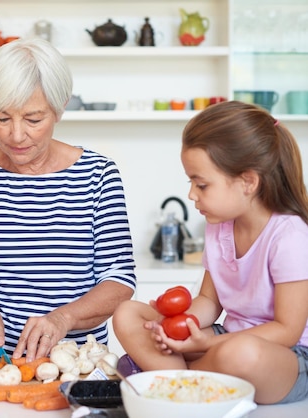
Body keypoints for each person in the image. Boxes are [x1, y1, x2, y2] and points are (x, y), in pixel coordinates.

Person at [0, 38, 136, 362]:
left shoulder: (98, 175)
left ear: (60, 107)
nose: (16, 135)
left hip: (73, 364)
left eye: (33, 119)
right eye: (2, 117)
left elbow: (119, 279)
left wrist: (62, 319)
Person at [112, 101, 308, 405]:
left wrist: (209, 342)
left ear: (248, 182)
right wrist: (179, 326)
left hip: (285, 358)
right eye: (191, 182)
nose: (191, 194)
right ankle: (185, 381)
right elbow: (209, 301)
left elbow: (287, 331)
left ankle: (169, 378)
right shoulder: (219, 225)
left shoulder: (290, 236)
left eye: (201, 184)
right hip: (223, 338)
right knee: (127, 313)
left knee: (239, 354)